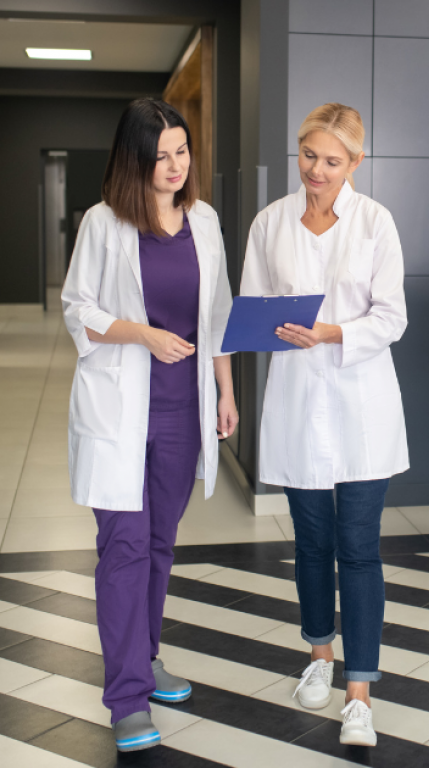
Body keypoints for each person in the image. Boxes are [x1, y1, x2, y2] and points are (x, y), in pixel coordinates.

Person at [61, 98, 237, 752]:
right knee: (126, 548)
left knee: (160, 543)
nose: (174, 166)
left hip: (181, 409)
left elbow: (216, 314)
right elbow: (78, 310)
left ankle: (148, 653)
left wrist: (223, 392)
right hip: (117, 408)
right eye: (160, 155)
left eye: (182, 152)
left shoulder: (206, 221)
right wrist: (144, 335)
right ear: (134, 159)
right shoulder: (103, 224)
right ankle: (127, 695)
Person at [240, 102, 408, 748]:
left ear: (356, 163)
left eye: (331, 161)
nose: (315, 171)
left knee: (359, 548)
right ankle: (318, 656)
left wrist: (333, 331)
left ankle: (359, 694)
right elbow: (252, 308)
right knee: (310, 544)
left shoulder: (375, 224)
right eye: (307, 155)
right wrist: (269, 329)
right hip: (296, 401)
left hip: (361, 405)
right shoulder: (270, 223)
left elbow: (391, 318)